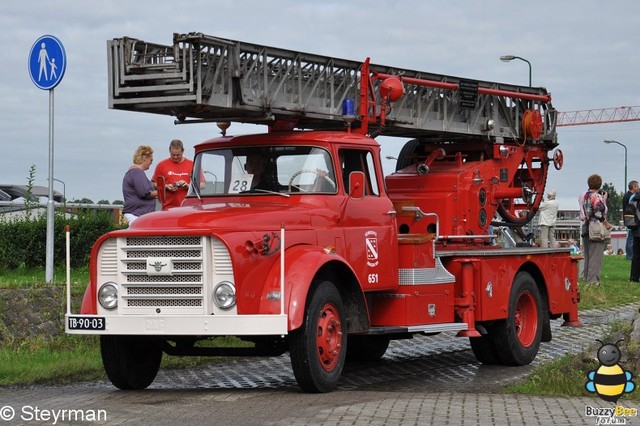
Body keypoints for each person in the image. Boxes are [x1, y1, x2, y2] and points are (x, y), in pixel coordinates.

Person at [580, 174, 610, 285]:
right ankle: (593, 281)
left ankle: (586, 278)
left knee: (588, 255)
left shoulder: (586, 195)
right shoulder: (596, 196)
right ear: (599, 184)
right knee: (596, 255)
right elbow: (598, 212)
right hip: (596, 226)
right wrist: (605, 222)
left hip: (586, 225)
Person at [153, 139, 194, 209]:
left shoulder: (192, 164)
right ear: (169, 151)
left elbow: (201, 184)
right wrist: (166, 186)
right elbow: (154, 184)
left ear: (183, 151)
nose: (175, 157)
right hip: (168, 208)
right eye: (173, 155)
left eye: (178, 155)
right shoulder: (161, 165)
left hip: (188, 207)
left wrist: (187, 186)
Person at [123, 145, 157, 225]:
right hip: (137, 216)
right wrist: (161, 192)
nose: (152, 162)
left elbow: (149, 185)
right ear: (144, 158)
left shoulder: (133, 172)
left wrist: (163, 186)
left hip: (137, 215)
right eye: (151, 159)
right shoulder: (138, 172)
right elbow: (145, 193)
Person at [622, 180, 638, 260]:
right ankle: (630, 256)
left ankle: (630, 255)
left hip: (627, 218)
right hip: (631, 219)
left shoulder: (626, 196)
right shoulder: (631, 197)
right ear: (633, 187)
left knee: (630, 237)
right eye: (637, 186)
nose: (638, 188)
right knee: (631, 238)